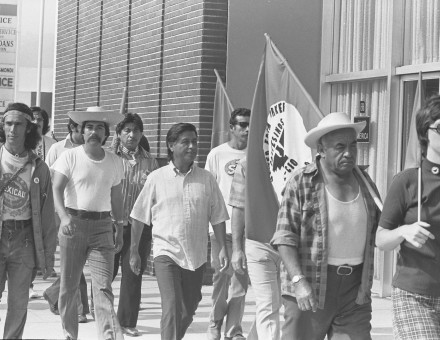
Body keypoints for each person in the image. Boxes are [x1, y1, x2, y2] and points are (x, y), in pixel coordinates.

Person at [271, 112, 381, 340]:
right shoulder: (301, 181)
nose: (349, 153)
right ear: (321, 149)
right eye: (340, 147)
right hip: (311, 285)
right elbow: (284, 237)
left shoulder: (366, 182)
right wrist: (298, 281)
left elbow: (382, 229)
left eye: (353, 145)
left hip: (355, 290)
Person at [129, 123, 229, 340]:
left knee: (188, 308)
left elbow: (219, 216)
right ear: (171, 145)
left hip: (196, 255)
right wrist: (134, 250)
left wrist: (222, 248)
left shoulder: (207, 179)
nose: (192, 146)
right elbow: (138, 216)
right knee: (172, 306)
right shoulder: (156, 178)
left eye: (194, 141)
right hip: (166, 253)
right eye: (185, 142)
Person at [51, 106, 125, 340]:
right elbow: (56, 188)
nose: (94, 131)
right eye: (90, 127)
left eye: (99, 127)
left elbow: (117, 198)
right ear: (82, 132)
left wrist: (120, 229)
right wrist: (63, 217)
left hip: (103, 228)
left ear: (106, 134)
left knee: (103, 287)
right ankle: (70, 334)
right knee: (69, 287)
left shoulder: (115, 162)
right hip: (73, 225)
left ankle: (110, 336)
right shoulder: (70, 156)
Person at [376, 95, 440, 339]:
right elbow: (381, 240)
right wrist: (404, 231)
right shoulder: (407, 181)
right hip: (415, 295)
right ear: (425, 132)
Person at [0, 102, 57, 338]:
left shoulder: (39, 168)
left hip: (24, 241)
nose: (12, 129)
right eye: (8, 123)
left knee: (18, 304)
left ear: (29, 129)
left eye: (18, 124)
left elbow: (47, 215)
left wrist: (48, 257)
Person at [111, 113, 158, 337]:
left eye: (136, 130)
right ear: (119, 133)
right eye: (127, 130)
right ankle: (101, 311)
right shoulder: (109, 157)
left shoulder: (150, 161)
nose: (132, 134)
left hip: (139, 226)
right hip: (111, 224)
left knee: (133, 273)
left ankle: (126, 321)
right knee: (106, 272)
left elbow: (155, 195)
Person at [205, 108, 250, 340]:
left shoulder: (257, 155)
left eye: (250, 124)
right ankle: (214, 324)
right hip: (222, 230)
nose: (247, 129)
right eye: (242, 124)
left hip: (246, 232)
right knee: (221, 281)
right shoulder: (216, 154)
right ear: (231, 127)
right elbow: (209, 193)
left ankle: (234, 330)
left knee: (240, 285)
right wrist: (210, 227)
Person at [42, 118, 90, 323]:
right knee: (74, 264)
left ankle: (55, 293)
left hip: (89, 214)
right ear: (73, 128)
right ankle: (78, 309)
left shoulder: (94, 149)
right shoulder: (57, 149)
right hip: (65, 212)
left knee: (77, 264)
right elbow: (48, 177)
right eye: (84, 129)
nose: (89, 133)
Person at [28, 106, 57, 299]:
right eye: (33, 119)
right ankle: (28, 283)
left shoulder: (51, 143)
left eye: (40, 119)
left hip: (47, 195)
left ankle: (44, 266)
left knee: (47, 235)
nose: (37, 122)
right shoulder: (22, 142)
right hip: (27, 199)